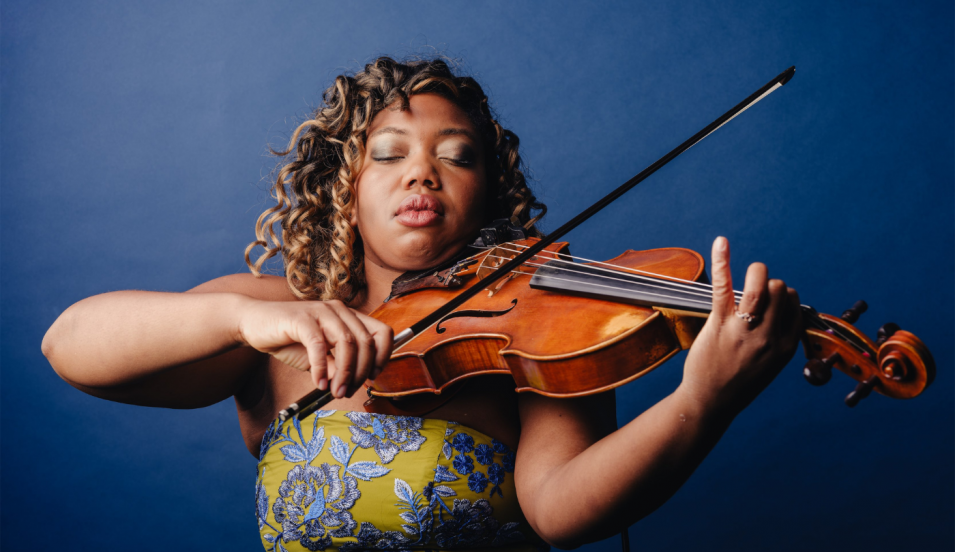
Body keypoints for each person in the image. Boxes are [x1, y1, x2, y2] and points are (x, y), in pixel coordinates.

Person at [41, 57, 803, 551]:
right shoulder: (274, 321)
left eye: (456, 155)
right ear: (346, 189)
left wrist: (702, 401)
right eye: (390, 152)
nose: (423, 174)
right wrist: (241, 318)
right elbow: (70, 345)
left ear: (486, 195)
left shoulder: (538, 332)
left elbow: (563, 513)